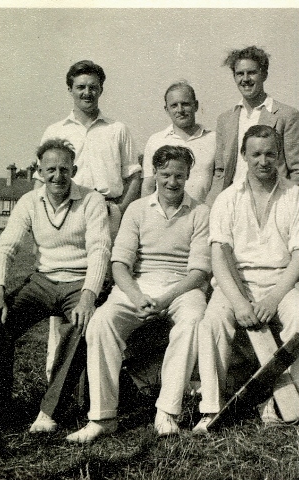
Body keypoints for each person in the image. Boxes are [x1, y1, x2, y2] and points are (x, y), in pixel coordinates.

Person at [66, 145, 211, 443]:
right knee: (101, 323)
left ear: (188, 176)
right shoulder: (137, 209)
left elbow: (198, 273)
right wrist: (136, 297)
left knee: (193, 320)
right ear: (154, 173)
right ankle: (103, 417)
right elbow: (119, 264)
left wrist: (165, 299)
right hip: (138, 285)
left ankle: (167, 412)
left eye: (179, 175)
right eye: (166, 174)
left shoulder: (200, 212)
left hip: (182, 287)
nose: (172, 182)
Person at [0, 139, 111, 438]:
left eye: (64, 169)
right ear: (40, 171)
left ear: (74, 170)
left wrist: (88, 298)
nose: (57, 176)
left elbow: (100, 250)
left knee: (83, 324)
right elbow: (5, 249)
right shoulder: (29, 201)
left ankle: (49, 411)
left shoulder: (92, 200)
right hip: (43, 280)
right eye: (51, 170)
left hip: (80, 281)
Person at [194, 125, 299, 434]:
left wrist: (274, 298)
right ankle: (210, 408)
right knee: (213, 321)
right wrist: (239, 303)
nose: (263, 161)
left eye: (269, 154)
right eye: (255, 154)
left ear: (279, 156)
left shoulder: (297, 196)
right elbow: (218, 257)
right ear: (244, 155)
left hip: (282, 282)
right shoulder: (226, 198)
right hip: (235, 283)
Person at [38, 60, 142, 381]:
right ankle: (56, 372)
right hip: (69, 212)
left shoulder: (117, 129)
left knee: (105, 290)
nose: (87, 92)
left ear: (101, 90)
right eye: (80, 86)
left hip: (109, 212)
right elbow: (42, 181)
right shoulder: (55, 130)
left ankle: (102, 373)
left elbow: (134, 176)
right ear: (70, 89)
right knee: (64, 286)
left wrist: (120, 210)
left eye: (93, 87)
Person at [206, 46, 299, 205]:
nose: (245, 79)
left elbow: (298, 170)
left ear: (264, 74)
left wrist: (288, 204)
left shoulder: (287, 115)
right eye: (240, 73)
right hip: (233, 202)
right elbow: (220, 172)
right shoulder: (225, 120)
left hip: (273, 201)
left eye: (252, 72)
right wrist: (211, 205)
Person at [140, 81, 215, 203]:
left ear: (196, 105)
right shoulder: (156, 140)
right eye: (174, 105)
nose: (180, 110)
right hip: (165, 213)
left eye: (185, 104)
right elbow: (148, 186)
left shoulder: (213, 139)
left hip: (203, 211)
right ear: (166, 109)